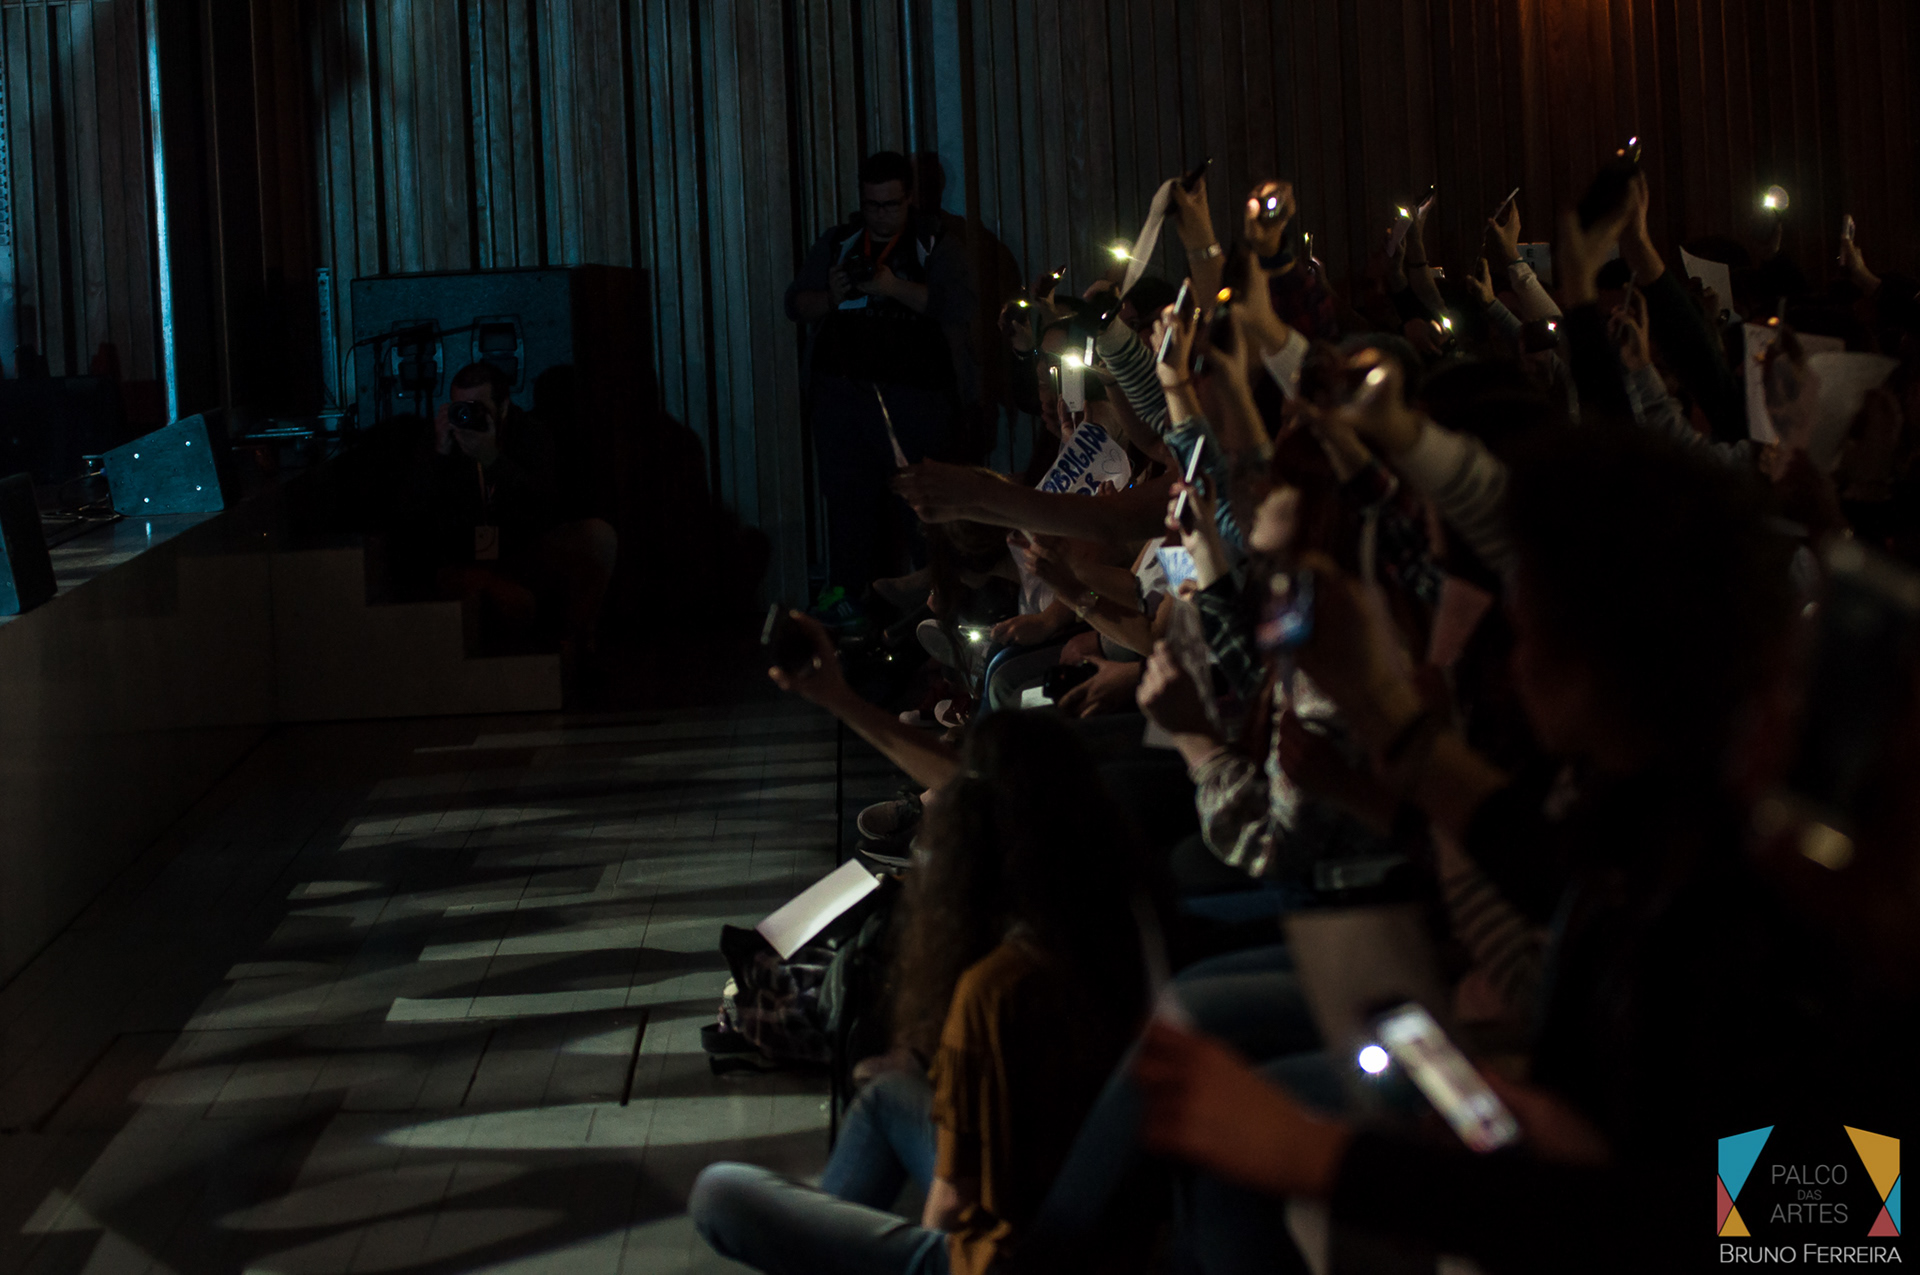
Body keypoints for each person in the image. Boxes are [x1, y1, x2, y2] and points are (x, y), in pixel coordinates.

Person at [690, 711, 1159, 1275]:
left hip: (1003, 1257)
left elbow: (955, 1204)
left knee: (720, 1193)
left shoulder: (996, 988)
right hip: (1095, 1225)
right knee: (889, 1095)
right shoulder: (1124, 918)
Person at [788, 151, 975, 627]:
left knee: (923, 506)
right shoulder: (840, 242)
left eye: (890, 205)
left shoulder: (933, 242)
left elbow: (957, 304)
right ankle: (848, 598)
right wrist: (832, 296)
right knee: (847, 503)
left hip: (916, 395)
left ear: (909, 198)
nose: (880, 215)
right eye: (872, 205)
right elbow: (798, 304)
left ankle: (937, 604)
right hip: (842, 394)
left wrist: (892, 288)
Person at [410, 361, 618, 658]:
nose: (467, 415)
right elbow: (415, 519)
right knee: (516, 603)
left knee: (598, 537)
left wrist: (492, 459)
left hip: (518, 552)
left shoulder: (530, 434)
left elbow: (545, 506)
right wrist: (440, 456)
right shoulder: (439, 438)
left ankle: (576, 647)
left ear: (504, 405)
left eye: (478, 407)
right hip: (462, 562)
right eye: (460, 407)